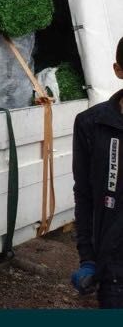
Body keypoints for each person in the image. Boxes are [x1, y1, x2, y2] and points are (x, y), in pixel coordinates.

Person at [71, 37, 123, 308]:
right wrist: (88, 259)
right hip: (114, 274)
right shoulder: (92, 125)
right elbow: (84, 194)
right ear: (118, 70)